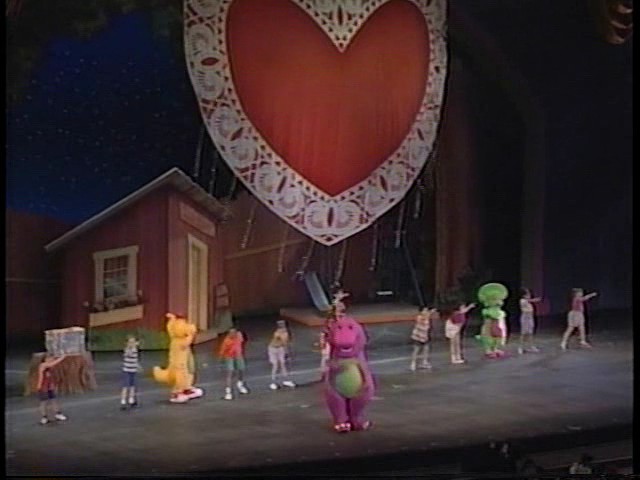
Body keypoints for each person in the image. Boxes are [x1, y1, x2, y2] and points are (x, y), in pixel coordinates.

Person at [218, 328, 249, 400]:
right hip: (229, 357)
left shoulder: (239, 335)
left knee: (241, 370)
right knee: (230, 373)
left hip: (238, 355)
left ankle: (240, 385)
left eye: (234, 333)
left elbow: (243, 342)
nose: (232, 335)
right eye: (230, 333)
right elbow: (222, 351)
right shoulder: (226, 341)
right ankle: (228, 392)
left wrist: (241, 351)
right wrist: (221, 360)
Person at [37, 354, 68, 425]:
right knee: (44, 402)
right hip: (42, 387)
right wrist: (62, 357)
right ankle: (44, 417)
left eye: (51, 358)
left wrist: (52, 384)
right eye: (49, 358)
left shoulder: (51, 367)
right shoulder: (42, 365)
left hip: (49, 387)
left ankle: (58, 414)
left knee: (53, 400)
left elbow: (50, 376)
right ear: (45, 359)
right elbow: (53, 363)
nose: (51, 359)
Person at [268, 320, 296, 390]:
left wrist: (287, 354)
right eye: (281, 326)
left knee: (283, 364)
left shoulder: (286, 333)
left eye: (283, 326)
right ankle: (273, 382)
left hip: (281, 348)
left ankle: (286, 380)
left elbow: (285, 343)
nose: (282, 327)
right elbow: (282, 342)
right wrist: (287, 353)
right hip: (273, 349)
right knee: (275, 365)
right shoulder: (277, 333)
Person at [518, 288, 543, 354]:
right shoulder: (522, 301)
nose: (529, 295)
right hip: (525, 319)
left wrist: (536, 300)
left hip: (530, 318)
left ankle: (531, 346)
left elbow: (531, 300)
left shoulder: (528, 302)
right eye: (528, 294)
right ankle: (520, 347)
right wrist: (534, 300)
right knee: (523, 333)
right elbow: (528, 301)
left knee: (530, 333)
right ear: (523, 295)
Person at [120, 335, 141, 410]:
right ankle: (123, 402)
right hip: (127, 371)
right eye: (130, 342)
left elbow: (135, 360)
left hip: (133, 371)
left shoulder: (135, 350)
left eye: (133, 342)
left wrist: (138, 366)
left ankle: (131, 400)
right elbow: (128, 354)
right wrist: (132, 347)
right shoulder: (127, 350)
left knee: (133, 386)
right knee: (125, 386)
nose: (132, 343)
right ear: (127, 343)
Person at [409, 307, 433, 371]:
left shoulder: (427, 317)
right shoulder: (419, 317)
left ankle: (424, 362)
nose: (426, 312)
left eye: (426, 310)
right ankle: (413, 364)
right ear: (421, 312)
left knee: (426, 348)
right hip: (418, 336)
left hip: (424, 336)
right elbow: (423, 319)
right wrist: (430, 313)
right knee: (416, 350)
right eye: (424, 310)